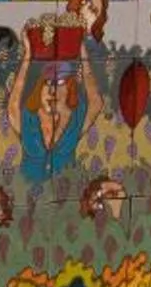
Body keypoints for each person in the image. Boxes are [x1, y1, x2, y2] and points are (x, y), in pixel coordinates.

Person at [15, 36, 101, 189]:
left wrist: (83, 55)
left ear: (70, 91)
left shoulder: (75, 119)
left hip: (65, 198)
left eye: (59, 85)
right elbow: (13, 104)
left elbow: (96, 103)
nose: (52, 91)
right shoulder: (29, 118)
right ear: (39, 89)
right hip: (26, 194)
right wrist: (27, 56)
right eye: (47, 84)